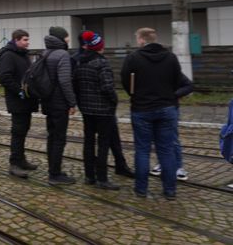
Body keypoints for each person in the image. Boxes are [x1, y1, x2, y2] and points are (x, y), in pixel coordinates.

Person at [121, 27, 182, 199]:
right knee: (167, 150)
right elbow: (178, 80)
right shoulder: (171, 57)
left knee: (142, 150)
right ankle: (170, 191)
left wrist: (135, 95)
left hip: (141, 108)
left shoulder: (133, 58)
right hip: (167, 108)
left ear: (141, 40)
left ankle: (141, 189)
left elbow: (125, 80)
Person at [73, 31, 134, 179]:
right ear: (99, 46)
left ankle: (89, 176)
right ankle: (102, 178)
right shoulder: (101, 63)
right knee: (103, 144)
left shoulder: (79, 62)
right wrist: (114, 101)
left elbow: (76, 86)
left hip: (87, 110)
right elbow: (107, 88)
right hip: (103, 111)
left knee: (88, 142)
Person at [0, 29, 38, 178]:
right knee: (18, 132)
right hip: (17, 100)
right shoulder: (9, 56)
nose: (27, 42)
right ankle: (14, 163)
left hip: (26, 100)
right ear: (16, 40)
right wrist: (19, 91)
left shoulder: (23, 54)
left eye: (28, 40)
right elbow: (4, 77)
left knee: (24, 130)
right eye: (25, 40)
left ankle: (21, 160)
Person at [42, 26, 77, 185]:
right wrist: (72, 102)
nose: (69, 39)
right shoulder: (62, 54)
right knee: (59, 139)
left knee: (52, 137)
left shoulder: (46, 53)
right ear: (62, 38)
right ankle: (55, 175)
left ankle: (53, 170)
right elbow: (65, 81)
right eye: (67, 36)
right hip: (59, 103)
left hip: (48, 101)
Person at [150, 72, 193, 181]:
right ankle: (162, 163)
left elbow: (189, 85)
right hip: (152, 107)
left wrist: (174, 95)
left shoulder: (171, 67)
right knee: (158, 138)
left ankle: (178, 167)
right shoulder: (148, 67)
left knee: (173, 138)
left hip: (171, 108)